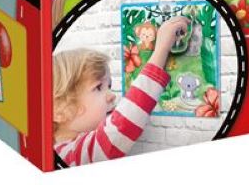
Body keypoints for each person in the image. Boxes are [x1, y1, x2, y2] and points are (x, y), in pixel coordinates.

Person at [53, 15, 189, 165]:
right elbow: (120, 127)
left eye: (109, 86)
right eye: (98, 87)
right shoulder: (68, 156)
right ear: (59, 110)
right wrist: (161, 49)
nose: (112, 96)